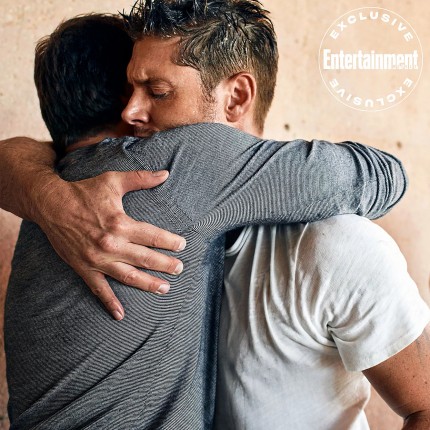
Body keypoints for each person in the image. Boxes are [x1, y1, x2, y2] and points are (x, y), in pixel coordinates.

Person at [2, 2, 428, 430]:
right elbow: (382, 174)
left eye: (157, 91)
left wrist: (44, 191)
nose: (131, 111)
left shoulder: (332, 244)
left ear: (236, 97)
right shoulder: (119, 190)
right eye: (129, 90)